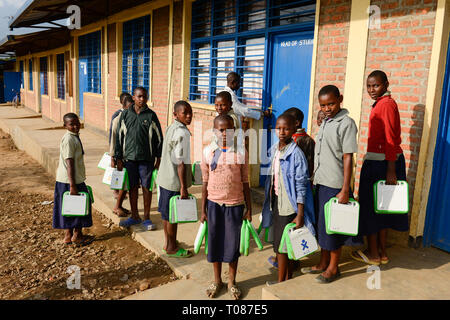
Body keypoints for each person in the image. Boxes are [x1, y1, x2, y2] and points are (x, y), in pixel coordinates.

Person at [301, 85, 360, 283]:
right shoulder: (326, 121)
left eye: (331, 104)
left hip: (336, 185)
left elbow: (347, 157)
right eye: (323, 105)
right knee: (323, 227)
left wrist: (345, 189)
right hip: (321, 182)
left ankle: (334, 268)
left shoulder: (346, 123)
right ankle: (323, 261)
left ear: (340, 99)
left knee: (333, 228)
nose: (327, 108)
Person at [350, 70, 408, 266]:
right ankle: (382, 253)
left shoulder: (386, 105)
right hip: (383, 162)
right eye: (369, 86)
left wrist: (390, 170)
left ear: (386, 84)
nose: (372, 90)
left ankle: (373, 253)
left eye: (376, 85)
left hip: (382, 164)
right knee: (381, 209)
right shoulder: (382, 104)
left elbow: (391, 139)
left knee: (370, 209)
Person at [200, 114, 251, 300]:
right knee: (214, 244)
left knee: (232, 245)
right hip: (214, 204)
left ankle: (231, 281)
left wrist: (249, 208)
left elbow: (245, 181)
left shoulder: (240, 151)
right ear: (214, 131)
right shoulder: (208, 152)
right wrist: (203, 209)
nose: (224, 133)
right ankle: (217, 280)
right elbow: (205, 181)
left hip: (234, 205)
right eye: (221, 130)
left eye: (229, 130)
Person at [261, 114, 316, 284]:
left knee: (282, 246)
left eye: (286, 128)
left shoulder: (296, 154)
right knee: (280, 243)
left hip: (289, 206)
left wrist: (300, 214)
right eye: (279, 128)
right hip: (277, 201)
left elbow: (301, 186)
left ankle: (281, 282)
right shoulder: (276, 149)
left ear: (294, 130)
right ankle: (285, 277)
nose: (282, 132)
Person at [114, 86, 163, 230]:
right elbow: (119, 137)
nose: (142, 99)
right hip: (129, 159)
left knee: (146, 188)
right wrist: (118, 158)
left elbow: (159, 138)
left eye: (144, 96)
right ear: (133, 97)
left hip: (146, 159)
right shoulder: (125, 115)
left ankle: (147, 218)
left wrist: (158, 158)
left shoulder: (151, 116)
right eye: (139, 96)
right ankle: (135, 216)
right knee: (132, 187)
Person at [156, 100, 193, 258]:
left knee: (166, 215)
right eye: (185, 113)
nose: (189, 116)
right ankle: (172, 247)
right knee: (173, 216)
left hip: (164, 178)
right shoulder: (182, 132)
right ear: (176, 114)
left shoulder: (172, 127)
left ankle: (168, 243)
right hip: (173, 181)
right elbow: (181, 162)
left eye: (191, 112)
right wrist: (183, 187)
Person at [52, 113, 94, 246]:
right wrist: (72, 185)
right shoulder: (69, 139)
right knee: (78, 206)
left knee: (69, 207)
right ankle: (77, 235)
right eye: (71, 124)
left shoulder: (74, 137)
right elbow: (69, 162)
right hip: (71, 181)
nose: (75, 126)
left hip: (71, 180)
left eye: (77, 123)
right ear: (65, 125)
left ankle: (68, 235)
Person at [109, 93, 133, 216]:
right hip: (121, 156)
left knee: (125, 182)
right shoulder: (118, 118)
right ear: (124, 105)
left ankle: (119, 206)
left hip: (130, 156)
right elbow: (113, 139)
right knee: (122, 181)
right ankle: (117, 206)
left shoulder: (132, 116)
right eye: (130, 106)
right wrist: (113, 157)